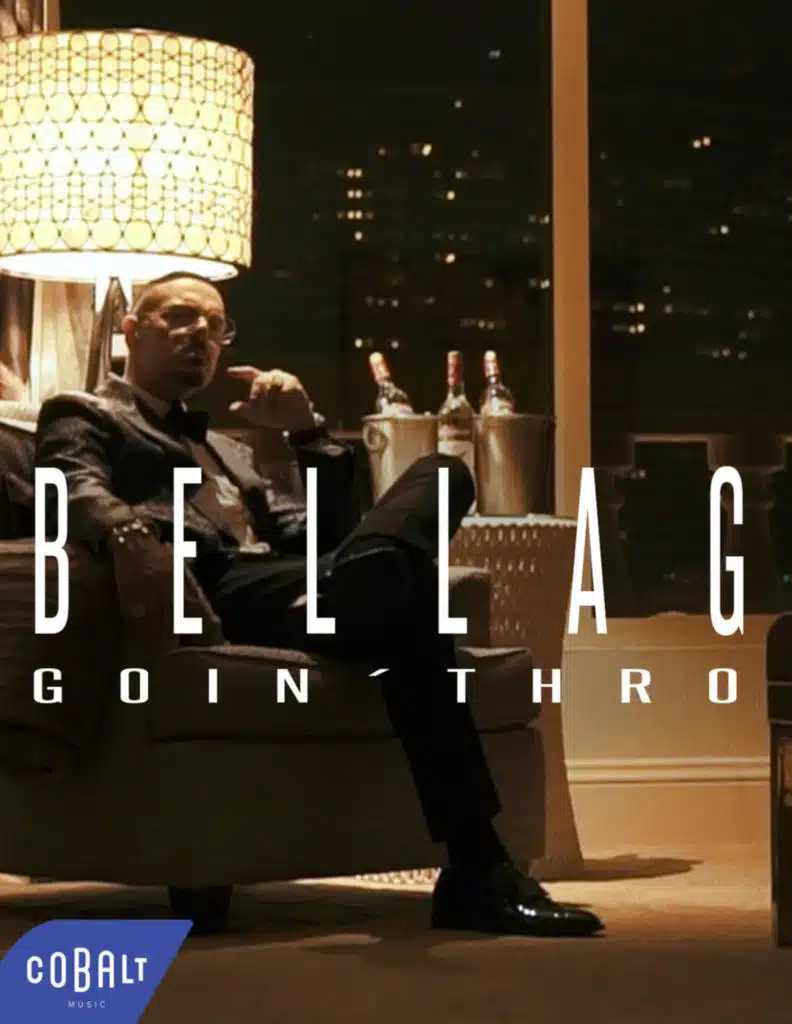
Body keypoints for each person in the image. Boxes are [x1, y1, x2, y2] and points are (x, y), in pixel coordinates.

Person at [34, 271, 603, 939]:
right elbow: (67, 484)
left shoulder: (230, 449)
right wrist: (127, 533)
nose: (201, 336)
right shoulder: (83, 412)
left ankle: (378, 581)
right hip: (211, 587)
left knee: (444, 475)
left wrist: (307, 434)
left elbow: (324, 538)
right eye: (182, 318)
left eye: (215, 327)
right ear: (131, 330)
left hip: (303, 586)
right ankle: (479, 871)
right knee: (407, 592)